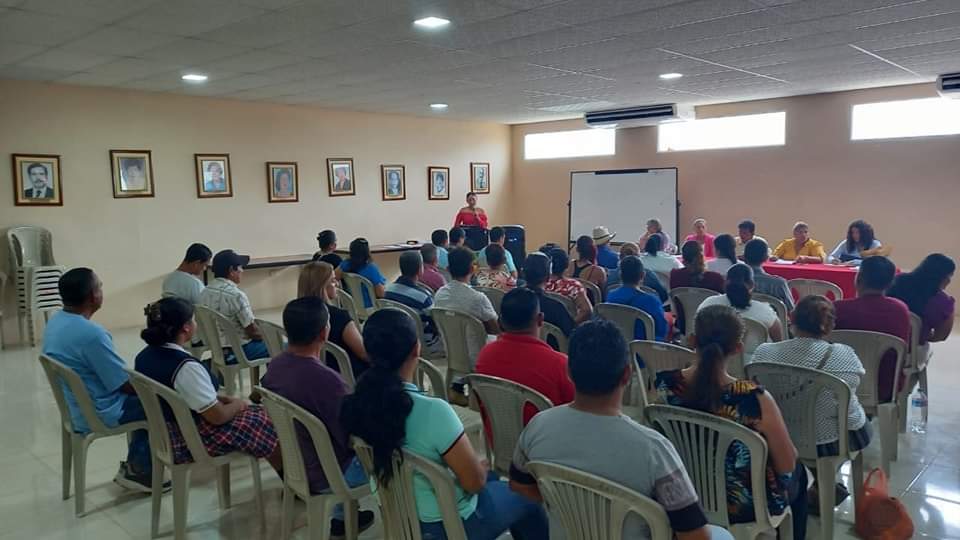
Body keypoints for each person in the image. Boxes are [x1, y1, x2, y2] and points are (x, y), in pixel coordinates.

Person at [511, 320, 729, 540]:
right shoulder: (654, 450)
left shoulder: (538, 427)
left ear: (569, 371)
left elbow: (520, 486)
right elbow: (697, 536)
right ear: (626, 374)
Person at [340, 309, 548, 540]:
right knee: (526, 495)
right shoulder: (432, 411)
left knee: (492, 479)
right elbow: (473, 484)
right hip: (449, 526)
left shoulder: (358, 403)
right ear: (416, 349)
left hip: (399, 516)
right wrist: (479, 470)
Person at [656, 305, 807, 538]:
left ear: (692, 339)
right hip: (742, 505)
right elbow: (786, 464)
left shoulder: (664, 385)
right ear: (738, 348)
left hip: (681, 494)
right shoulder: (753, 398)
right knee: (800, 473)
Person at [261, 297, 375, 536]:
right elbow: (352, 435)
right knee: (392, 447)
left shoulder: (275, 367)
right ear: (324, 332)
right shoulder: (327, 381)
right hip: (330, 474)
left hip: (297, 464)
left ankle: (344, 517)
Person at [135, 298, 282, 473]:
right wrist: (238, 404)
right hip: (190, 438)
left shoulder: (144, 356)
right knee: (266, 421)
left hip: (165, 431)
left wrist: (219, 399)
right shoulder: (185, 367)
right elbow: (217, 417)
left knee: (258, 415)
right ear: (186, 328)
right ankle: (291, 476)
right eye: (193, 319)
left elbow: (183, 394)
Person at [42, 268, 156, 491]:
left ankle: (139, 463)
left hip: (74, 408)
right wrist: (159, 388)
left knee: (150, 397)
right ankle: (140, 470)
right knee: (160, 403)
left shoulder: (55, 323)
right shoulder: (91, 334)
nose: (102, 290)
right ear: (93, 296)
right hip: (101, 412)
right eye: (100, 286)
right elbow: (123, 384)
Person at [754, 296, 872, 458]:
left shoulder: (764, 352)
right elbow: (851, 403)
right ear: (830, 325)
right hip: (827, 442)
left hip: (776, 438)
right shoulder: (844, 355)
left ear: (792, 319)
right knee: (860, 419)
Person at [475, 288, 575, 429]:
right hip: (546, 439)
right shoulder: (560, 364)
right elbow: (576, 411)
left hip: (500, 437)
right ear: (540, 319)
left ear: (501, 321)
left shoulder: (485, 355)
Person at [833, 256, 911, 402]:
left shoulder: (837, 309)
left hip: (840, 385)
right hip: (886, 388)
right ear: (890, 283)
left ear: (858, 278)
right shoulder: (900, 311)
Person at [297, 262, 368, 378]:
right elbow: (365, 354)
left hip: (310, 375)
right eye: (333, 280)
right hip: (346, 376)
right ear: (322, 285)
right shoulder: (339, 317)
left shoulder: (295, 315)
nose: (337, 284)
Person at [199, 250, 268, 362]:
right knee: (279, 346)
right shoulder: (236, 295)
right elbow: (253, 332)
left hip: (217, 350)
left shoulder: (205, 291)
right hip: (239, 351)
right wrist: (271, 336)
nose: (242, 271)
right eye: (240, 267)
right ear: (231, 270)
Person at [434, 247, 501, 363]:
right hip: (478, 358)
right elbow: (496, 329)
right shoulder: (478, 298)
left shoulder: (439, 294)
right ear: (472, 269)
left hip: (452, 354)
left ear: (448, 269)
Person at [698, 263, 783, 343]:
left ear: (725, 282)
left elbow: (696, 336)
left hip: (715, 353)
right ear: (752, 285)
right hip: (756, 354)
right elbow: (778, 344)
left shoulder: (708, 304)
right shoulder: (765, 312)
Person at [888, 253, 956, 344]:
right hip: (913, 347)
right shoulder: (944, 302)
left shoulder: (896, 281)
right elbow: (941, 336)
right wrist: (923, 335)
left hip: (882, 340)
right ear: (946, 278)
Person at [606, 256, 668, 341]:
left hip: (616, 343)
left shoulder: (611, 296)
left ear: (620, 275)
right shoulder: (652, 301)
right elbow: (662, 331)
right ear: (642, 275)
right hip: (643, 346)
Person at [524, 252, 576, 337]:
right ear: (548, 277)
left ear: (523, 273)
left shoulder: (510, 300)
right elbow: (572, 334)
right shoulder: (557, 308)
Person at [385, 251, 436, 332]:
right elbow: (435, 320)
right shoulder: (423, 296)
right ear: (420, 270)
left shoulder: (388, 290)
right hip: (419, 336)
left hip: (394, 333)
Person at [743, 239, 795, 312]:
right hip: (773, 318)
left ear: (744, 257)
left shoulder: (733, 281)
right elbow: (791, 309)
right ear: (766, 258)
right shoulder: (779, 283)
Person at [543, 248, 592, 324]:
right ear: (566, 265)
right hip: (565, 327)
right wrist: (570, 325)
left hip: (542, 328)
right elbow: (587, 310)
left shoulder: (541, 284)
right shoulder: (574, 286)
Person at [337, 238, 386, 309]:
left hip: (351, 305)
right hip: (369, 307)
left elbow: (334, 277)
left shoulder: (345, 264)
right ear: (367, 252)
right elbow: (381, 294)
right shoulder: (371, 268)